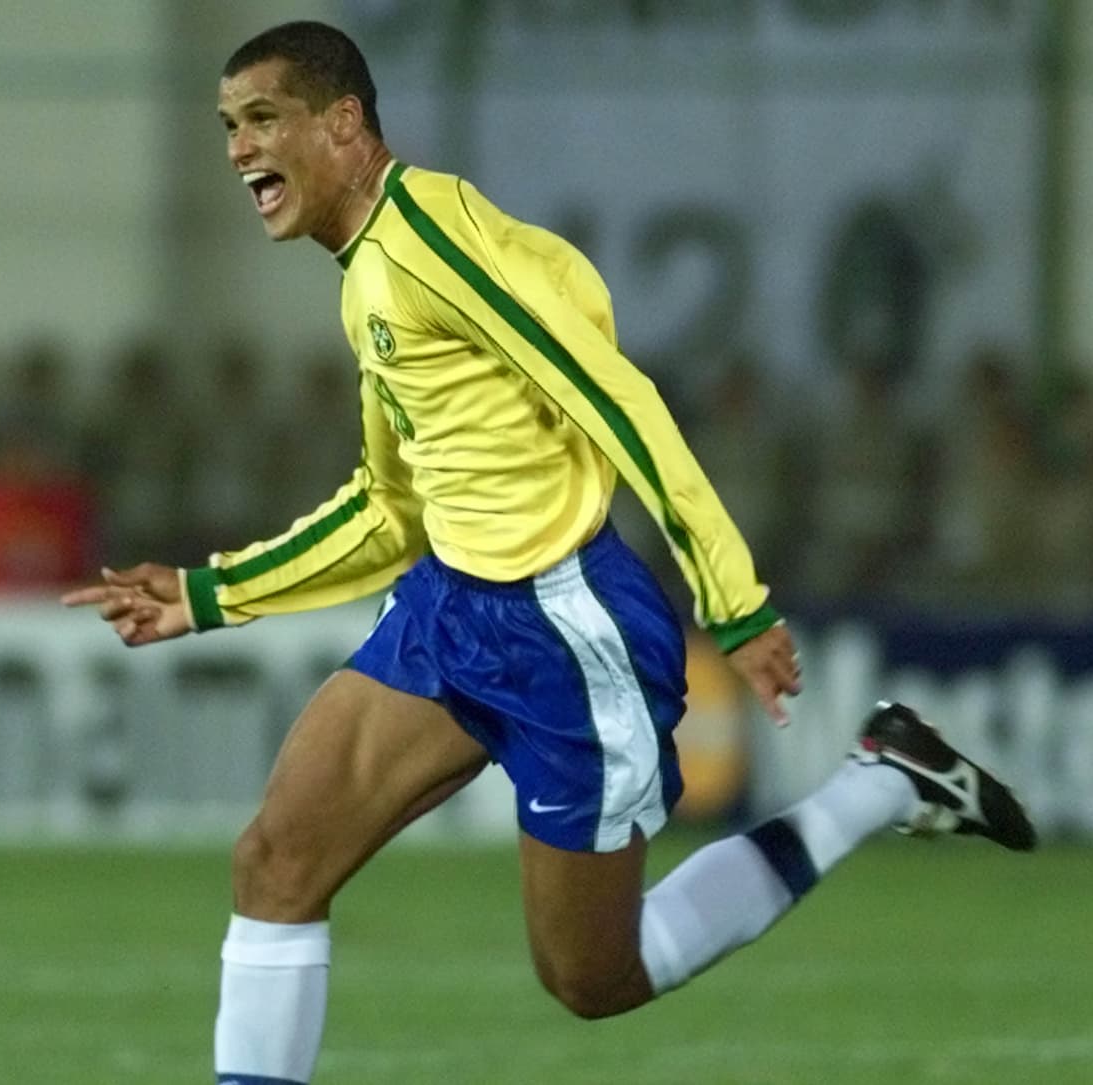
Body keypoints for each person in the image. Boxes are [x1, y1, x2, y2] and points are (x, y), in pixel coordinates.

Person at [62, 22, 1035, 1085]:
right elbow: (393, 509)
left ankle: (879, 783)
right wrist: (209, 593)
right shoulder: (368, 271)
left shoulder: (430, 245)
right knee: (275, 860)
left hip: (563, 629)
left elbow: (620, 402)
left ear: (341, 123)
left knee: (591, 974)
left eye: (262, 119)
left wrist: (734, 600)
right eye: (228, 127)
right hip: (449, 607)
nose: (240, 149)